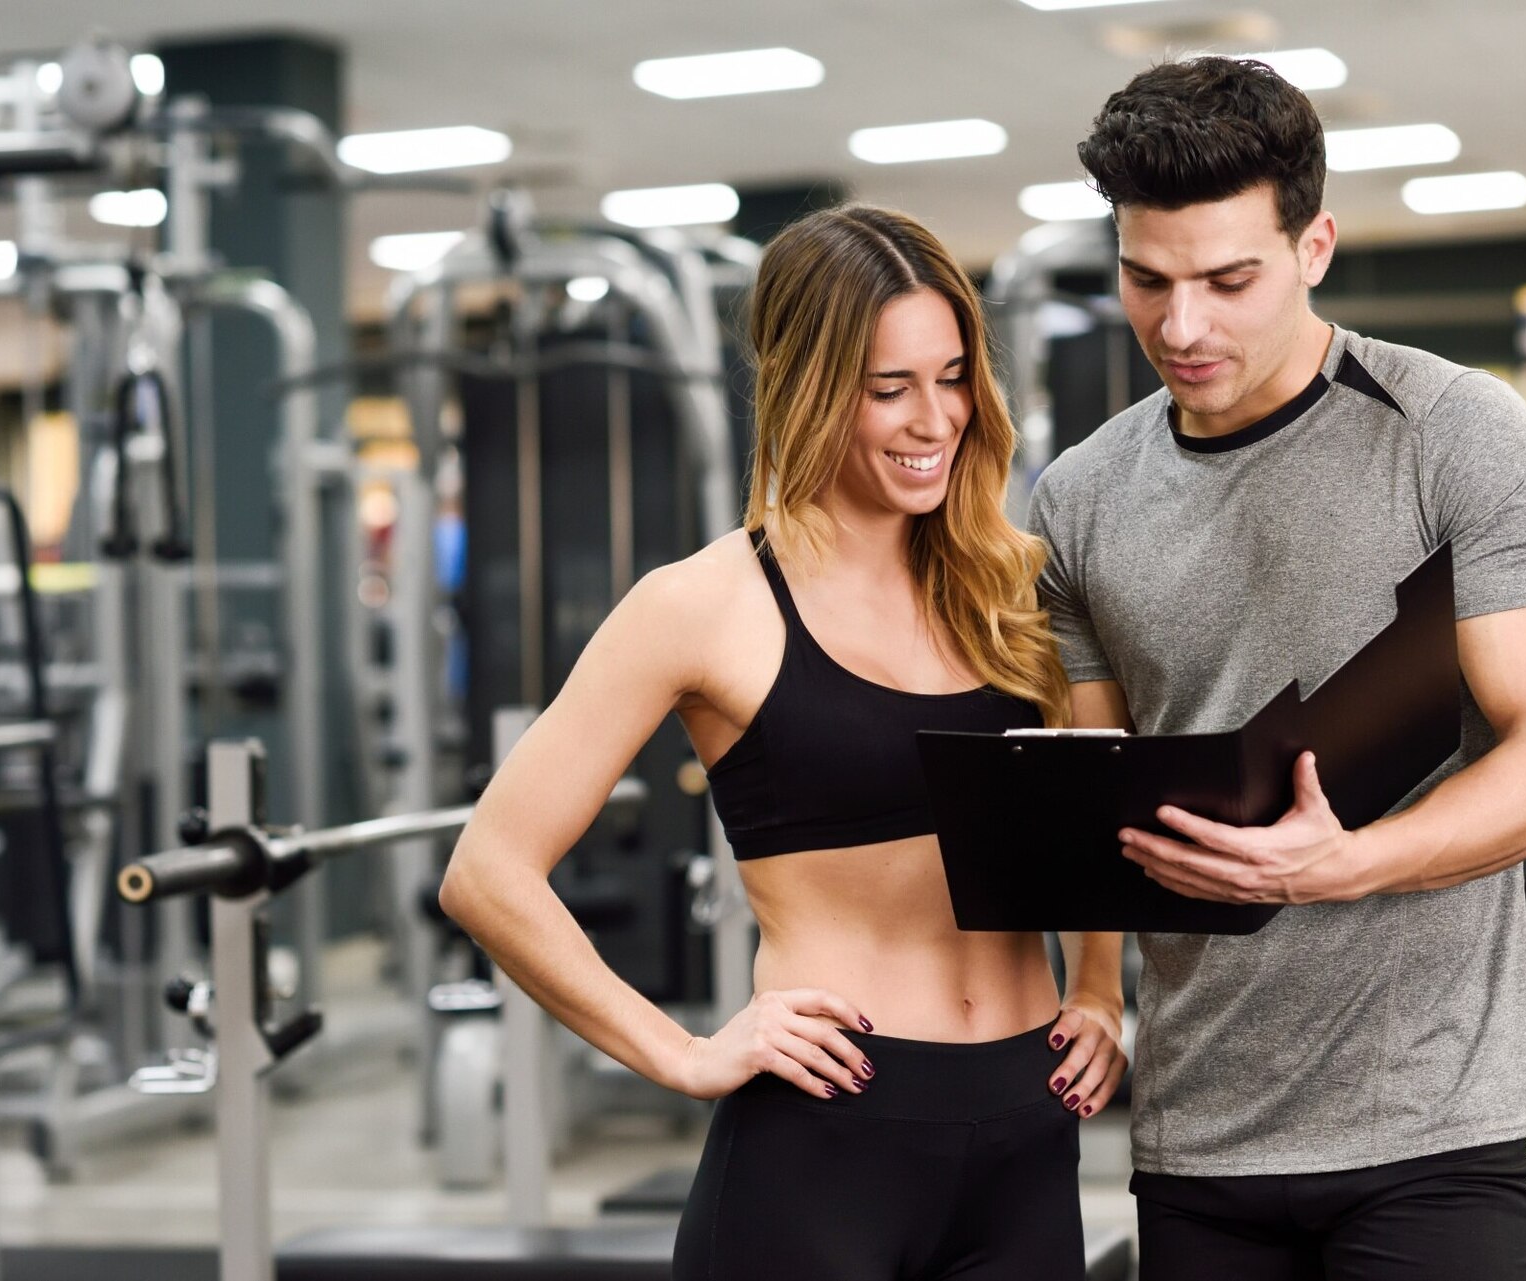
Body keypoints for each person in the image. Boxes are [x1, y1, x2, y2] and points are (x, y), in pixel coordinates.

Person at [439, 204, 1126, 1280]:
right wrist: (684, 1052)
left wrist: (1097, 987)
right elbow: (487, 873)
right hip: (825, 1144)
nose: (933, 419)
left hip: (1026, 1135)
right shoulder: (701, 606)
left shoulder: (1015, 586)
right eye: (889, 389)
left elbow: (1097, 797)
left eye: (951, 378)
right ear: (807, 388)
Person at [1028, 57, 1526, 1281]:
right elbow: (1097, 784)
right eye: (1147, 281)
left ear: (1315, 247)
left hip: (1430, 1135)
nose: (1181, 328)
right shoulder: (1080, 497)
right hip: (1198, 1144)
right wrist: (1090, 989)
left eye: (1229, 280)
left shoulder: (1455, 434)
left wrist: (1344, 866)